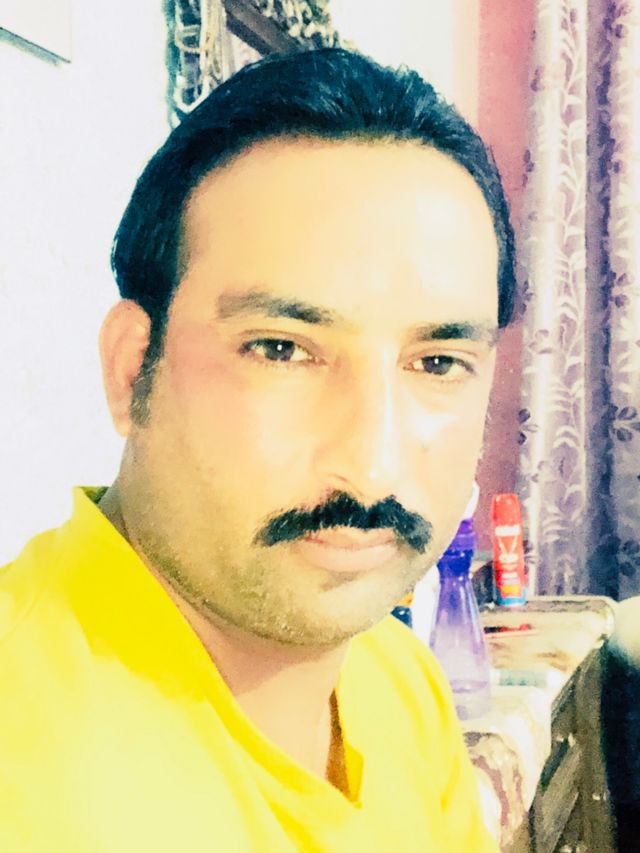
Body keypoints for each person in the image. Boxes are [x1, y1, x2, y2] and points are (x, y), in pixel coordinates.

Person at [0, 47, 514, 851]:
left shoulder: (401, 678)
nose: (373, 466)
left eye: (439, 362)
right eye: (281, 349)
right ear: (132, 369)